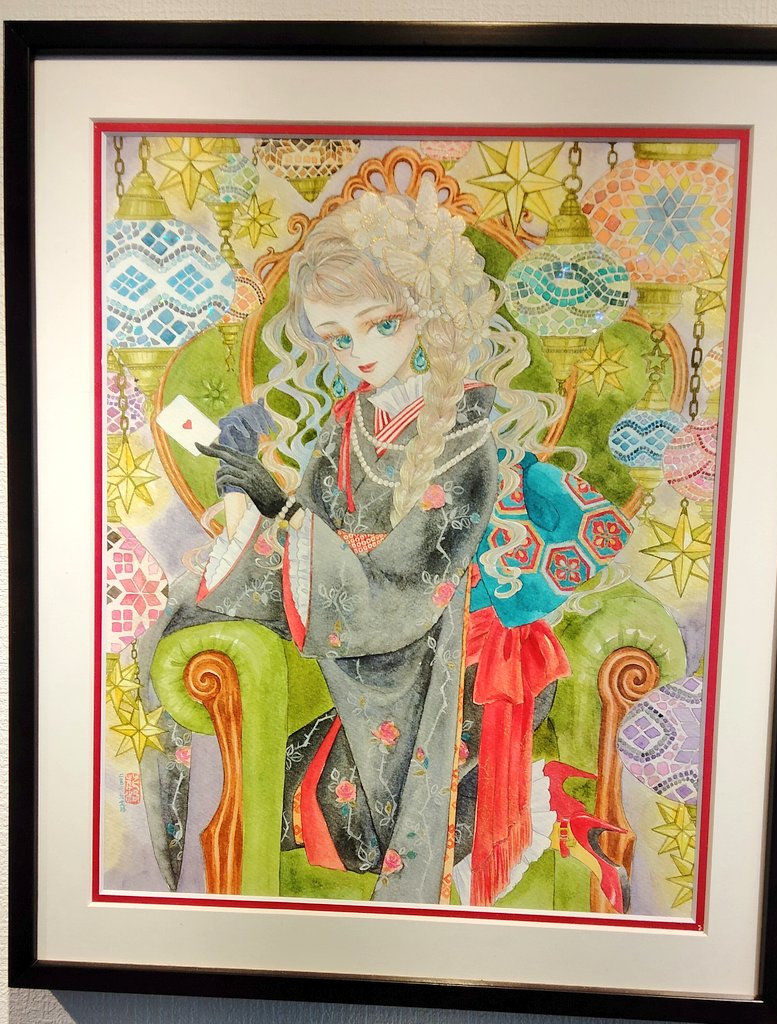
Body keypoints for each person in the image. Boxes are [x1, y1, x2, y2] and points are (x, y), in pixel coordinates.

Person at [194, 180, 625, 907]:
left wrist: (287, 515)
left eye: (380, 325)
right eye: (338, 338)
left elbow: (421, 574)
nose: (358, 352)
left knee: (343, 814)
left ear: (428, 311)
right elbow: (314, 533)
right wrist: (255, 496)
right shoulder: (345, 424)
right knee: (280, 785)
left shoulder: (466, 433)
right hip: (372, 650)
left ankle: (537, 811)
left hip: (453, 655)